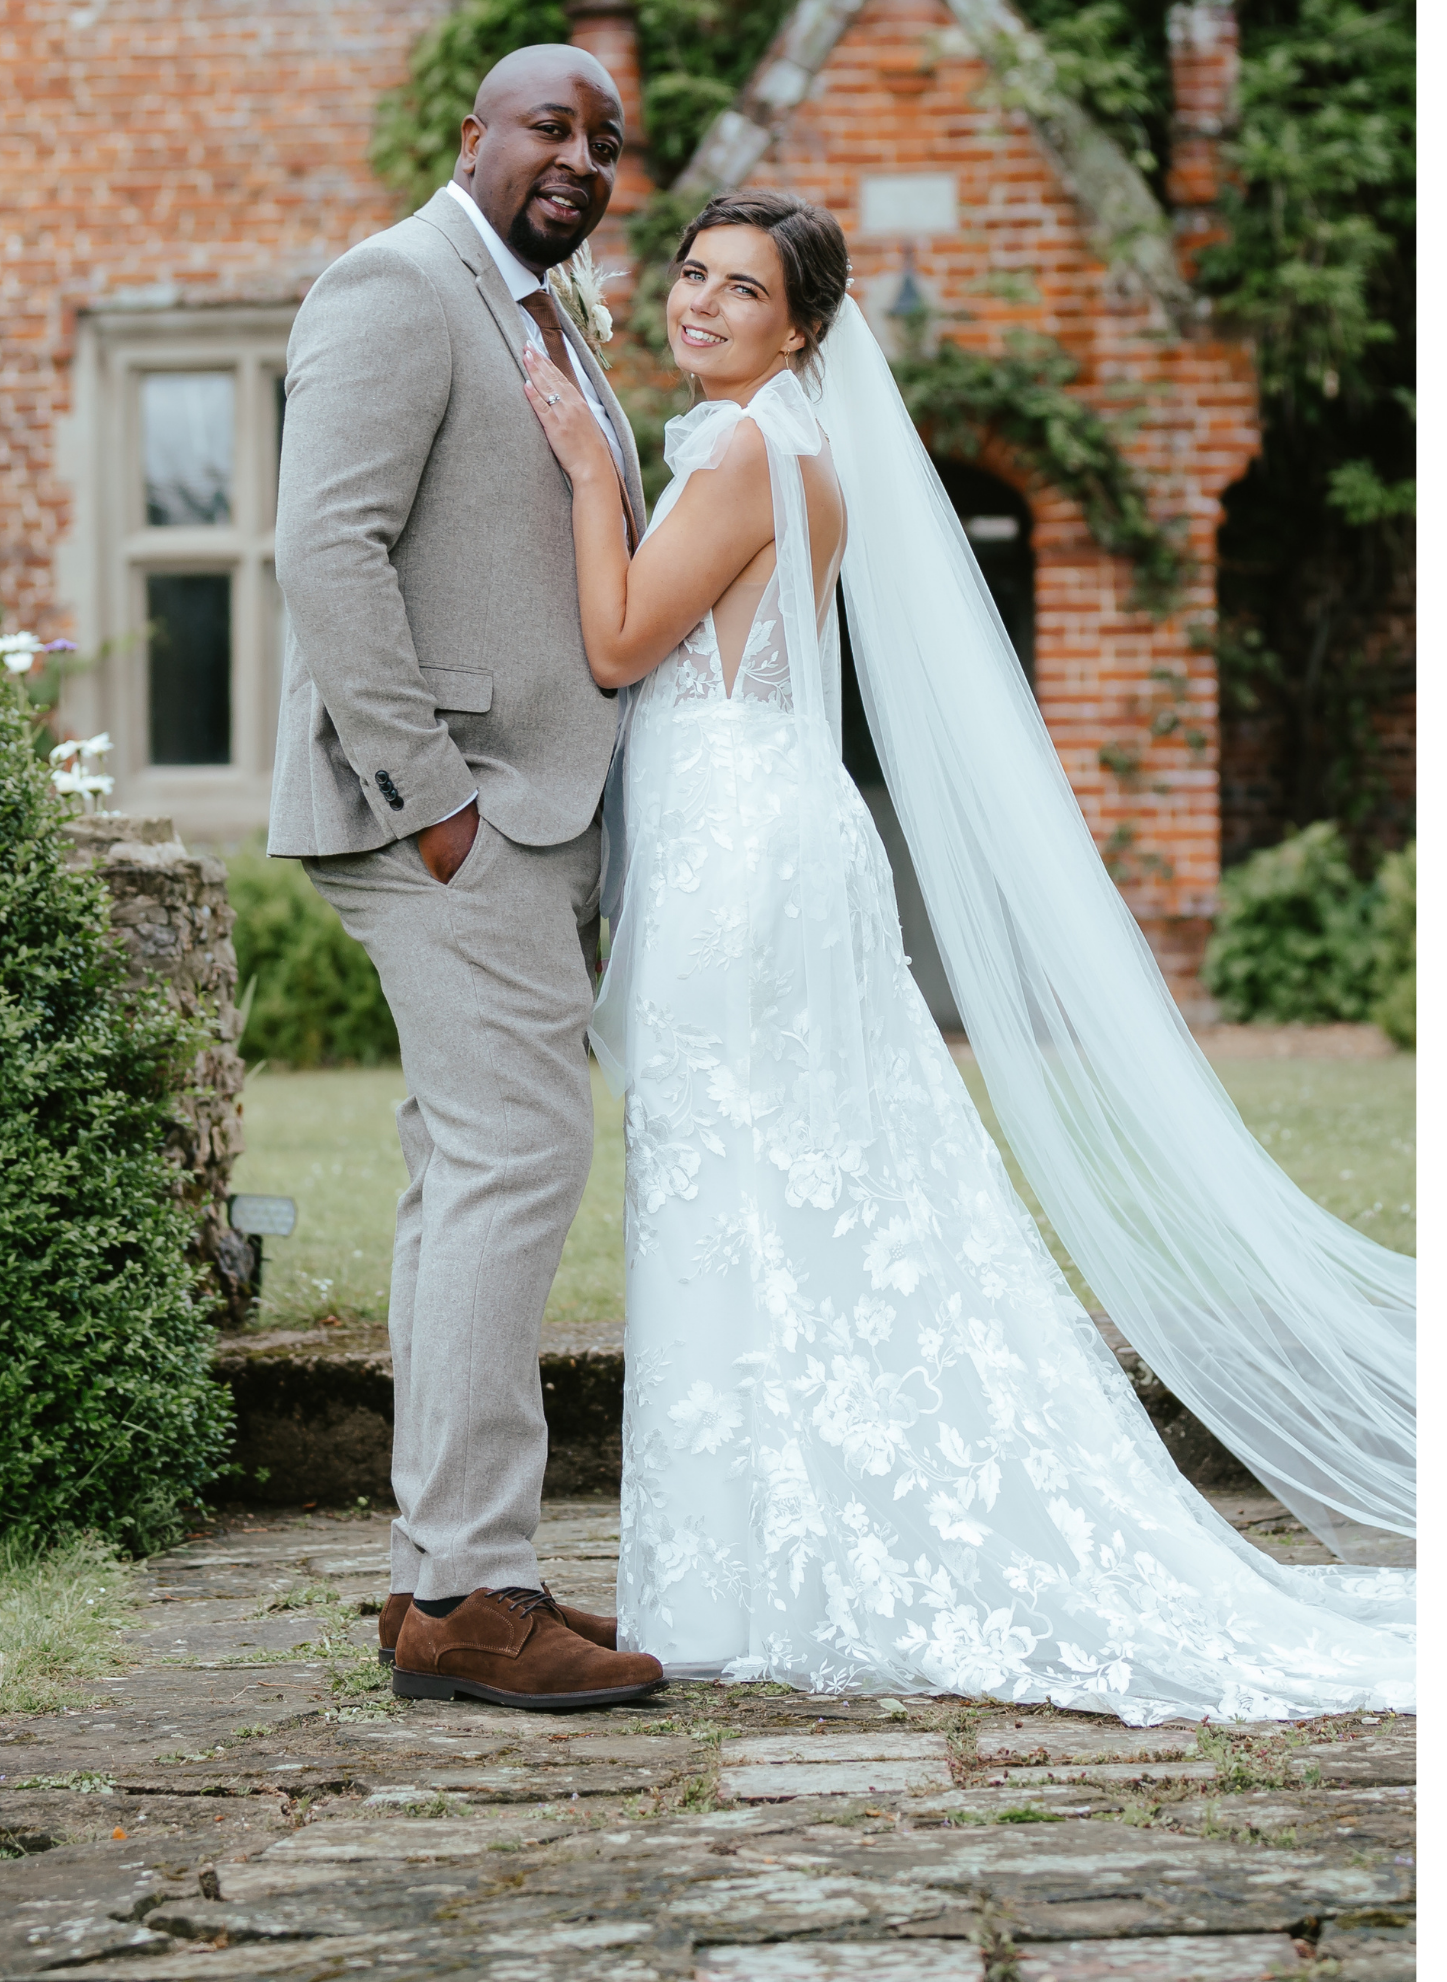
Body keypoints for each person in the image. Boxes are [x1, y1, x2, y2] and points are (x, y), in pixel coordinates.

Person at [525, 187, 1415, 1720]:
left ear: (802, 326)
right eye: (689, 276)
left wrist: (588, 469)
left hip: (740, 864)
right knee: (768, 1188)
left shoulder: (747, 452)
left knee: (726, 1183)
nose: (697, 304)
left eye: (740, 291)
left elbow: (615, 644)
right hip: (769, 845)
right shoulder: (795, 444)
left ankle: (730, 1579)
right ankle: (731, 1568)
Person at [269, 44, 664, 1711]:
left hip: (518, 809)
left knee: (462, 1174)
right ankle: (484, 1586)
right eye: (549, 125)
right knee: (520, 1153)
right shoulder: (397, 282)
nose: (579, 155)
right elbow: (324, 546)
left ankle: (439, 1579)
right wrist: (435, 802)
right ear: (473, 136)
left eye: (604, 137)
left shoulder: (545, 311)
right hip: (454, 810)